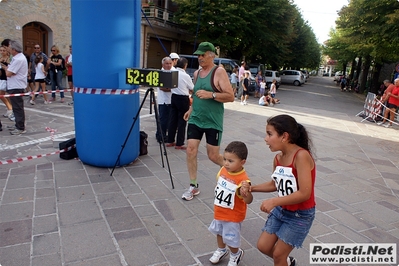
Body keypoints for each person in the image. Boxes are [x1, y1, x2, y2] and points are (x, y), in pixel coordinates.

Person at [240, 114, 316, 266]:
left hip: (299, 215)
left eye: (269, 134)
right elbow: (275, 184)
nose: (265, 139)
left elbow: (305, 193)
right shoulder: (278, 158)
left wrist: (274, 201)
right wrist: (252, 188)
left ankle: (282, 260)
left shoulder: (301, 156)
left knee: (278, 255)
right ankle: (286, 262)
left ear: (284, 136)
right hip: (282, 210)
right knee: (263, 246)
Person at [181, 41, 235, 201]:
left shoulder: (219, 72)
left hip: (213, 121)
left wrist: (211, 95)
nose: (199, 58)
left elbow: (230, 96)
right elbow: (196, 93)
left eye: (202, 55)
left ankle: (233, 171)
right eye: (198, 55)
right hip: (196, 118)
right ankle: (193, 185)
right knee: (190, 149)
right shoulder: (197, 73)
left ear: (211, 55)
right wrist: (190, 110)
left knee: (213, 155)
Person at [208, 141, 253, 266]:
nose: (226, 163)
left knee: (231, 238)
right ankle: (221, 250)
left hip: (232, 216)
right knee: (219, 233)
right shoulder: (223, 169)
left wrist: (246, 192)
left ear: (242, 162)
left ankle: (235, 253)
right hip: (219, 210)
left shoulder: (243, 180)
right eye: (225, 159)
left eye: (231, 161)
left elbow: (248, 200)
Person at [166, 57, 194, 149]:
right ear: (185, 65)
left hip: (174, 96)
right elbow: (192, 88)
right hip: (182, 98)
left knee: (172, 119)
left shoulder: (172, 73)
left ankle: (170, 140)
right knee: (182, 120)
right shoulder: (185, 76)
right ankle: (179, 143)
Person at [1, 40, 28, 135]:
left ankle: (20, 127)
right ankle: (17, 124)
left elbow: (8, 73)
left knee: (17, 107)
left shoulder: (18, 59)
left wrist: (4, 67)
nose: (7, 49)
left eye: (9, 48)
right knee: (16, 107)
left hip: (17, 86)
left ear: (14, 49)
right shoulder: (16, 58)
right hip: (14, 85)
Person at [155, 56, 173, 143]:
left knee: (168, 119)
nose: (169, 65)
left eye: (170, 63)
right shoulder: (161, 73)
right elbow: (162, 87)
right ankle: (160, 136)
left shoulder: (172, 72)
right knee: (163, 120)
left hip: (170, 100)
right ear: (163, 64)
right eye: (167, 63)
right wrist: (174, 89)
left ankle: (162, 134)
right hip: (163, 100)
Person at [0, 44, 14, 121]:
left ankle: (10, 108)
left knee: (1, 95)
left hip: (6, 78)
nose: (2, 52)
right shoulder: (0, 58)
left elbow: (9, 68)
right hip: (1, 78)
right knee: (5, 95)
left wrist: (3, 64)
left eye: (3, 50)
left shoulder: (8, 59)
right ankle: (10, 109)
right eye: (1, 50)